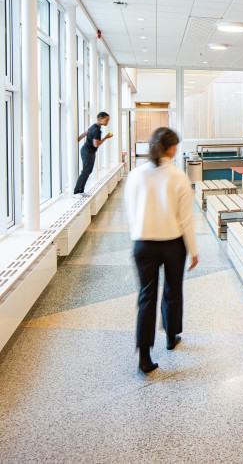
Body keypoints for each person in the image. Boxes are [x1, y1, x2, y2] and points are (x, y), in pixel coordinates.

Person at [124, 127, 198, 374]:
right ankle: (171, 335)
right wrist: (194, 250)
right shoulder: (178, 177)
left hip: (143, 243)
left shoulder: (136, 175)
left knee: (146, 296)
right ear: (170, 148)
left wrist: (139, 235)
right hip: (173, 244)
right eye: (175, 145)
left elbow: (130, 210)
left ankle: (144, 356)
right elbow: (186, 219)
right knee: (172, 290)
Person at [74, 112, 113, 197]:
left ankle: (81, 191)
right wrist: (106, 137)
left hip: (88, 151)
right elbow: (96, 144)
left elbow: (85, 133)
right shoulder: (97, 130)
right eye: (106, 120)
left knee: (88, 171)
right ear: (100, 119)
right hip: (88, 151)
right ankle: (76, 192)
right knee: (85, 171)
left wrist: (76, 140)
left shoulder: (94, 126)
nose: (107, 122)